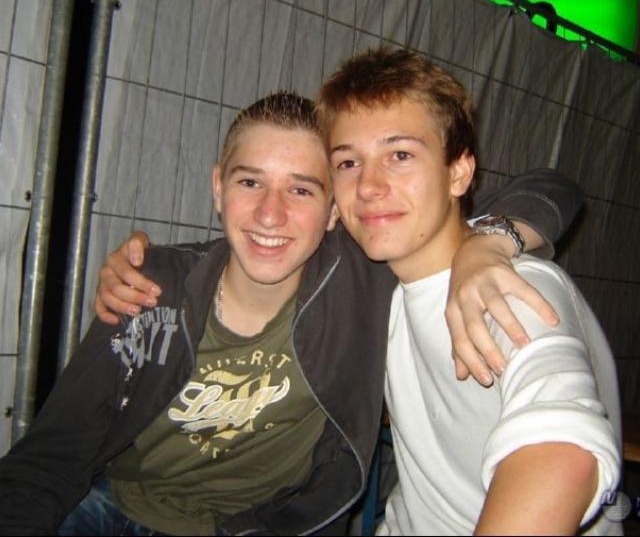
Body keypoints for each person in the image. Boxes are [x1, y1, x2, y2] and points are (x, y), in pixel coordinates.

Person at [0, 88, 580, 536]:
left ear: (334, 211)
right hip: (113, 507)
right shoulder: (151, 286)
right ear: (218, 188)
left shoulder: (362, 277)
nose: (270, 215)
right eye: (250, 182)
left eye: (301, 190)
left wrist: (489, 243)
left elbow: (553, 187)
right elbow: (51, 456)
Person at [316, 46, 621, 535]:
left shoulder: (508, 284)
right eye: (349, 162)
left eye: (400, 155)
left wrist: (491, 243)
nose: (369, 186)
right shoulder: (378, 278)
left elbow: (562, 453)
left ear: (458, 172)